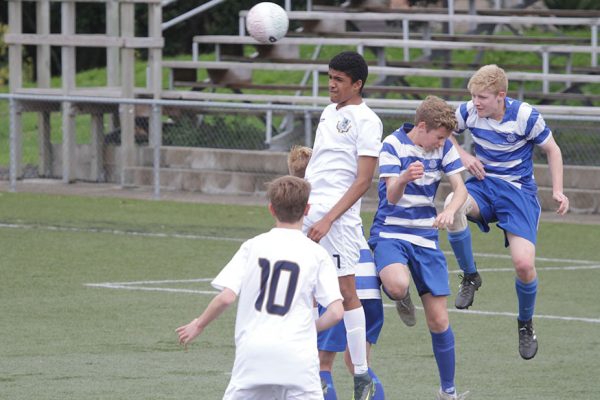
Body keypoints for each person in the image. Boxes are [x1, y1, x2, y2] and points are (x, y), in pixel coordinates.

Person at [176, 175, 344, 400]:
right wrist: (310, 328)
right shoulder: (317, 254)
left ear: (271, 209)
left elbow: (226, 297)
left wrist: (199, 324)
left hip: (253, 353)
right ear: (307, 209)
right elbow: (336, 312)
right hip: (298, 355)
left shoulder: (252, 246)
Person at [445, 64, 569, 360]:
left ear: (501, 96)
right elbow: (444, 131)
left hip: (518, 194)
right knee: (453, 201)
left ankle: (525, 324)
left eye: (483, 97)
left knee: (524, 265)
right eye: (473, 96)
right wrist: (463, 154)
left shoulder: (525, 116)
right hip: (484, 186)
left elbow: (552, 149)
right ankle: (470, 275)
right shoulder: (469, 110)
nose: (476, 103)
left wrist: (557, 190)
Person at [368, 95, 469, 400]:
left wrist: (451, 210)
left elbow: (461, 188)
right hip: (391, 233)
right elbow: (392, 196)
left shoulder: (446, 147)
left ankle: (448, 391)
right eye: (438, 137)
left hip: (426, 237)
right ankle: (401, 297)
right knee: (398, 285)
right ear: (422, 126)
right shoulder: (392, 145)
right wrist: (402, 177)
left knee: (439, 319)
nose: (441, 144)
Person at [302, 50, 383, 400]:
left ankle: (361, 373)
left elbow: (364, 180)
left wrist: (329, 217)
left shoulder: (367, 120)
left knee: (346, 292)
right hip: (309, 213)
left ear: (357, 84)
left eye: (338, 80)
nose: (331, 85)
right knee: (304, 289)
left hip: (338, 221)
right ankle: (307, 366)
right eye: (329, 77)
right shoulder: (326, 112)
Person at [288, 146, 385, 400]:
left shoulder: (309, 212)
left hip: (342, 295)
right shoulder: (343, 199)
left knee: (320, 365)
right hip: (369, 291)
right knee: (358, 366)